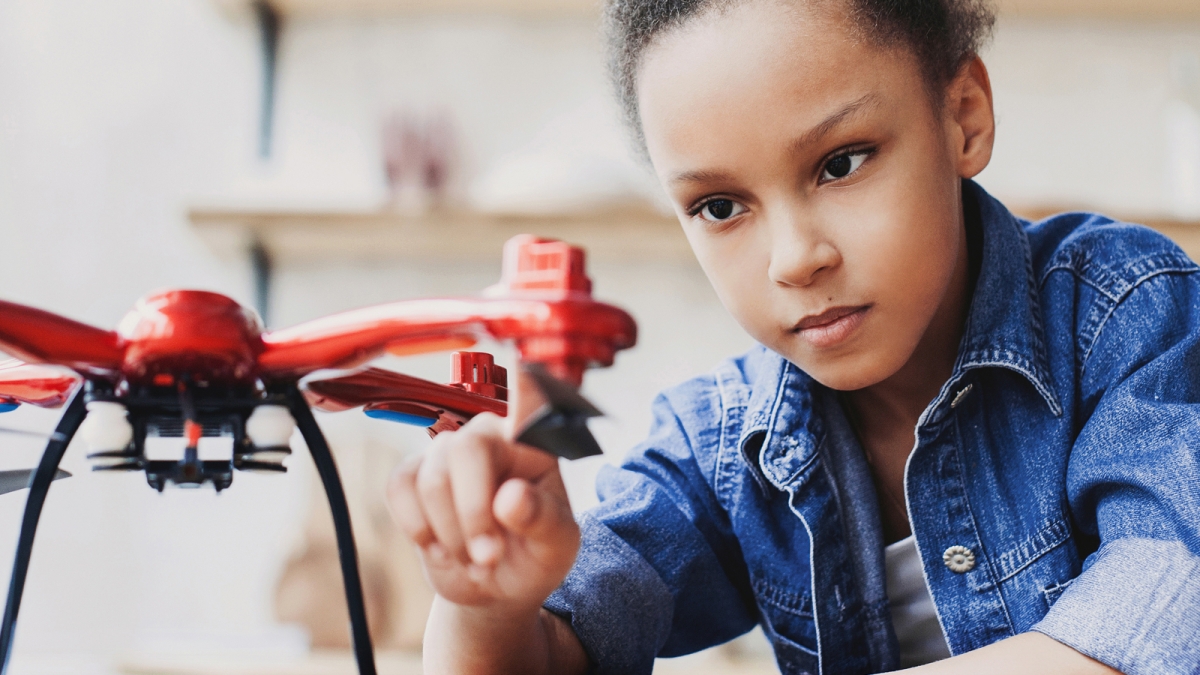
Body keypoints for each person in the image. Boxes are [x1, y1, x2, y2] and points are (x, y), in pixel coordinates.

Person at [385, 0, 1200, 673]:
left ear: (963, 117)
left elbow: (1163, 617)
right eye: (720, 207)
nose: (795, 259)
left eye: (842, 163)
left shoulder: (1128, 314)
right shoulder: (716, 442)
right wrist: (486, 603)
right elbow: (552, 655)